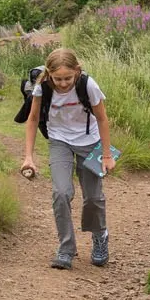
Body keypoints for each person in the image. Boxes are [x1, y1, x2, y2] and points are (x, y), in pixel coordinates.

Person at [20, 48, 116, 270]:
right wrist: (28, 157)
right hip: (59, 141)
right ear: (49, 75)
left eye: (68, 78)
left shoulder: (88, 85)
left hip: (90, 142)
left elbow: (102, 118)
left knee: (93, 197)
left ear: (77, 71)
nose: (63, 84)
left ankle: (100, 236)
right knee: (61, 193)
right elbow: (33, 120)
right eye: (58, 79)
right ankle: (66, 248)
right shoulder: (42, 88)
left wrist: (107, 154)